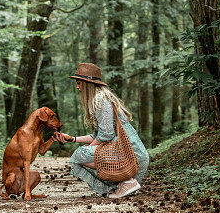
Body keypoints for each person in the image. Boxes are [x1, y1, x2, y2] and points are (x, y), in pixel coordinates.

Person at [53, 63, 149, 198]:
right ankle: (122, 184)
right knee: (81, 154)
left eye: (79, 83)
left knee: (79, 155)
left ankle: (126, 181)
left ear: (87, 83)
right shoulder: (100, 98)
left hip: (132, 157)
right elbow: (97, 135)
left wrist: (87, 151)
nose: (77, 86)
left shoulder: (100, 100)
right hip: (128, 157)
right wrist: (73, 138)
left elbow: (106, 134)